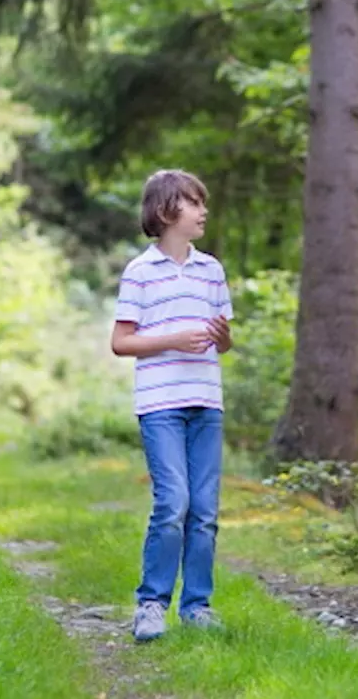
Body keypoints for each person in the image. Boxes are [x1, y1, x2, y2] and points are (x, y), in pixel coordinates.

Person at [110, 169, 233, 643]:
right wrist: (173, 339)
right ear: (165, 211)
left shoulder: (212, 270)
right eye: (194, 203)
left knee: (204, 509)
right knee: (173, 504)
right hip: (160, 404)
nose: (203, 211)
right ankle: (151, 604)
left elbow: (222, 343)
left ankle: (197, 606)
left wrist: (221, 338)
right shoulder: (139, 272)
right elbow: (121, 342)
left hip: (207, 403)